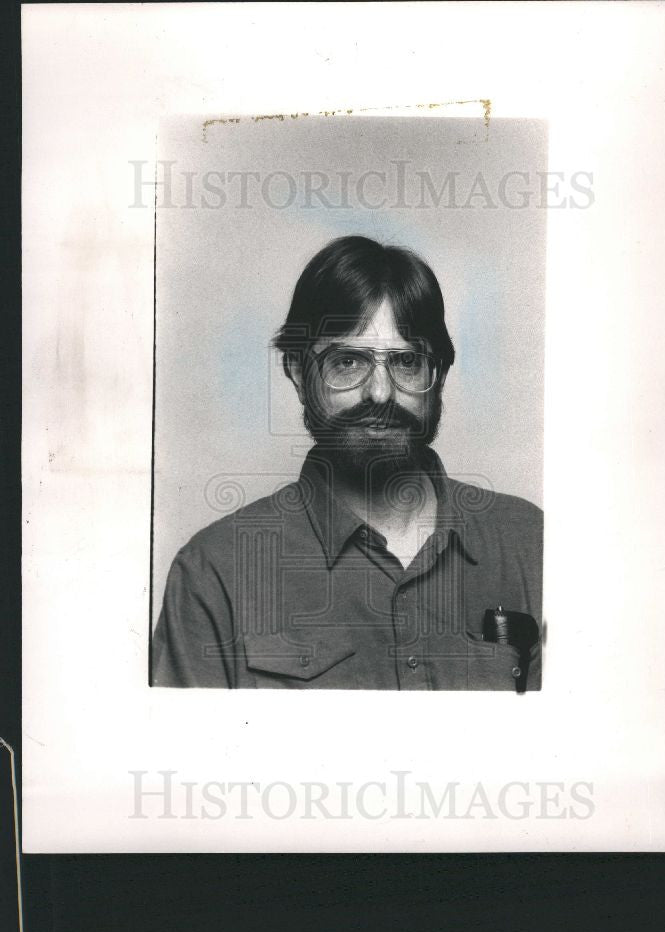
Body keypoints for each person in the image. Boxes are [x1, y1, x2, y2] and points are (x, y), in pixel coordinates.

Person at [151, 235, 543, 691]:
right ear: (298, 373)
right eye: (348, 361)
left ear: (439, 376)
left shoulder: (533, 546)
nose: (380, 392)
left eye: (407, 361)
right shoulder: (213, 575)